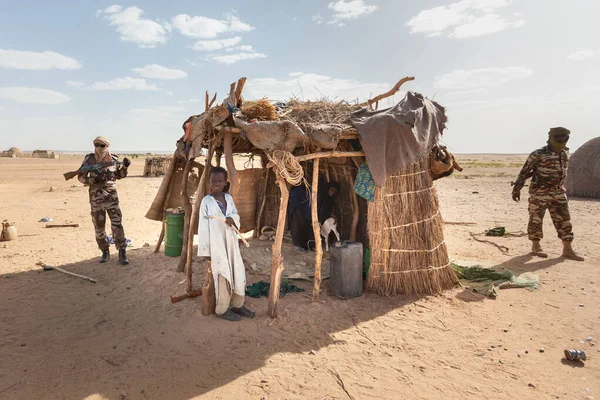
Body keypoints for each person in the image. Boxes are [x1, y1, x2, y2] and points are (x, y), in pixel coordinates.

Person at [512, 127, 584, 261]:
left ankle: (567, 249)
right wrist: (517, 188)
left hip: (558, 192)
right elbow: (525, 171)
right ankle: (536, 246)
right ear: (551, 138)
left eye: (565, 138)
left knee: (564, 220)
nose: (562, 140)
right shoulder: (538, 154)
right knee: (536, 220)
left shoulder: (564, 153)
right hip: (540, 193)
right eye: (559, 138)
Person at [197, 167, 255, 321]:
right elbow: (203, 228)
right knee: (223, 275)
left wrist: (232, 219)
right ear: (209, 182)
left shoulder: (228, 199)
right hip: (217, 247)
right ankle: (222, 310)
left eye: (219, 181)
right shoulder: (206, 202)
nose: (216, 183)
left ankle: (237, 305)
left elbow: (235, 215)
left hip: (231, 244)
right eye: (213, 181)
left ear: (225, 183)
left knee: (237, 272)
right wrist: (206, 251)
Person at [78, 136, 131, 265]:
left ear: (107, 147)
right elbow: (80, 177)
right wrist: (91, 181)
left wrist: (124, 167)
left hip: (112, 197)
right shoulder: (89, 160)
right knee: (99, 226)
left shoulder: (113, 159)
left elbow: (119, 176)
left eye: (102, 146)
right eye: (97, 145)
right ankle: (105, 251)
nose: (99, 148)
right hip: (96, 199)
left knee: (117, 224)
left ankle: (122, 251)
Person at [288, 178, 340, 251]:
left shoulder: (328, 199)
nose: (333, 192)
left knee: (308, 228)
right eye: (331, 190)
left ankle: (307, 245)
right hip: (300, 207)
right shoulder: (321, 195)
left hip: (309, 212)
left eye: (335, 191)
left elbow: (324, 210)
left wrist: (330, 214)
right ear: (328, 188)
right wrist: (328, 214)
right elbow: (320, 209)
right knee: (298, 225)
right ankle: (297, 244)